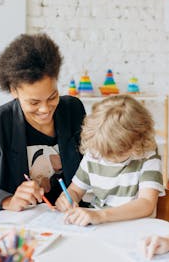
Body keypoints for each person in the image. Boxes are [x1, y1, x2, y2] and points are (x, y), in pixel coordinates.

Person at [0, 33, 86, 211]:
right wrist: (8, 200)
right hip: (25, 223)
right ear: (13, 90)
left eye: (52, 96)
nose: (45, 109)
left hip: (75, 218)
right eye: (34, 102)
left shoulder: (72, 110)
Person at [55, 94, 165, 226]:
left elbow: (146, 203)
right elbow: (75, 190)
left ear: (137, 143)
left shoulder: (147, 155)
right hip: (100, 226)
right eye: (103, 152)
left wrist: (101, 215)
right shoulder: (94, 153)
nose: (107, 158)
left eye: (116, 153)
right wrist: (67, 198)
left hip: (134, 227)